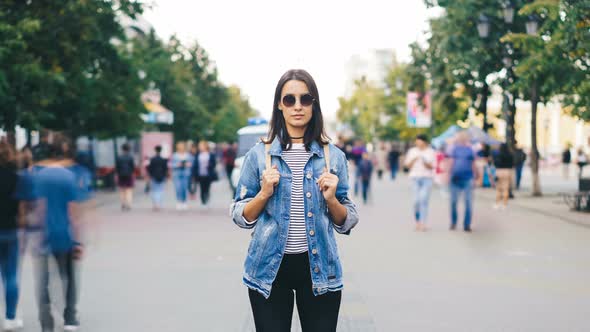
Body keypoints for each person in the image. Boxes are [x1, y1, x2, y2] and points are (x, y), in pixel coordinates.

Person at [230, 69, 359, 332]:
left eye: (305, 99)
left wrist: (332, 199)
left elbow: (346, 221)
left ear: (314, 104)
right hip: (269, 268)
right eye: (290, 99)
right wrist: (264, 193)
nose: (297, 106)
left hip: (320, 267)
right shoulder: (258, 156)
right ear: (280, 104)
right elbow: (240, 215)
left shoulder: (332, 157)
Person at [25, 134, 87, 332]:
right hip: (65, 235)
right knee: (67, 276)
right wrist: (78, 240)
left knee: (42, 279)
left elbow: (34, 207)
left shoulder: (36, 176)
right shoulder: (69, 177)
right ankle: (69, 318)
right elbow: (73, 211)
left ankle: (46, 320)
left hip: (42, 234)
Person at [0, 141, 24, 330]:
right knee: (11, 276)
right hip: (9, 230)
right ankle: (10, 318)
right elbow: (22, 209)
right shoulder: (16, 178)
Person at [403, 134, 435, 231]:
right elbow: (407, 166)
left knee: (423, 199)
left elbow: (432, 166)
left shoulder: (431, 152)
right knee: (416, 201)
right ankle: (417, 220)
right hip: (415, 178)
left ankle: (423, 223)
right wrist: (414, 159)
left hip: (427, 178)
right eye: (416, 141)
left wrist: (425, 162)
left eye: (419, 140)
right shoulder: (412, 151)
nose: (417, 142)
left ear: (424, 141)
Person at [448, 131, 478, 232]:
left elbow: (473, 163)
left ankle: (467, 224)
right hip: (455, 178)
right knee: (453, 202)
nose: (462, 139)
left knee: (468, 202)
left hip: (468, 178)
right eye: (460, 137)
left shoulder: (470, 150)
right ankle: (453, 222)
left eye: (464, 137)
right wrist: (448, 175)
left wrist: (476, 176)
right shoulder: (454, 149)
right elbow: (451, 162)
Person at [190, 141, 217, 207]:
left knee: (207, 188)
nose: (200, 147)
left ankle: (207, 200)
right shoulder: (198, 154)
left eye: (202, 146)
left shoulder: (210, 154)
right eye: (200, 146)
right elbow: (195, 165)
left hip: (208, 174)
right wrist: (193, 174)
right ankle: (203, 202)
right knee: (202, 188)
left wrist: (209, 165)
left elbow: (214, 163)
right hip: (200, 174)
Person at [171, 142, 193, 211]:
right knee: (178, 188)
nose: (181, 148)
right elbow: (171, 164)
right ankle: (179, 201)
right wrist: (177, 165)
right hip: (177, 173)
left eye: (182, 147)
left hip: (185, 173)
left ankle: (184, 201)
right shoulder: (175, 155)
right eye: (180, 147)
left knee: (184, 188)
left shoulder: (188, 155)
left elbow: (192, 163)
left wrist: (188, 164)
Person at [146, 146, 168, 211]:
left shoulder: (152, 159)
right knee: (161, 190)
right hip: (162, 176)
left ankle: (155, 205)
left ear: (155, 150)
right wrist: (165, 176)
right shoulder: (163, 159)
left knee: (154, 191)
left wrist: (150, 175)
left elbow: (149, 168)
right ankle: (160, 204)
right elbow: (165, 169)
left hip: (154, 176)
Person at [493, 143, 514, 210]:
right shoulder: (510, 155)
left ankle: (497, 204)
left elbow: (495, 164)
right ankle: (504, 205)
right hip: (508, 172)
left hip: (499, 172)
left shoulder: (498, 155)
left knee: (499, 189)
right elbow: (512, 164)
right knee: (506, 189)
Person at [115, 143, 135, 211]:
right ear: (129, 149)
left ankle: (123, 203)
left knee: (122, 190)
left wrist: (116, 175)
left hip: (121, 175)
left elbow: (117, 167)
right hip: (129, 175)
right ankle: (129, 204)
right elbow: (133, 167)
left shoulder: (119, 157)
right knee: (129, 190)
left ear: (122, 149)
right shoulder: (131, 157)